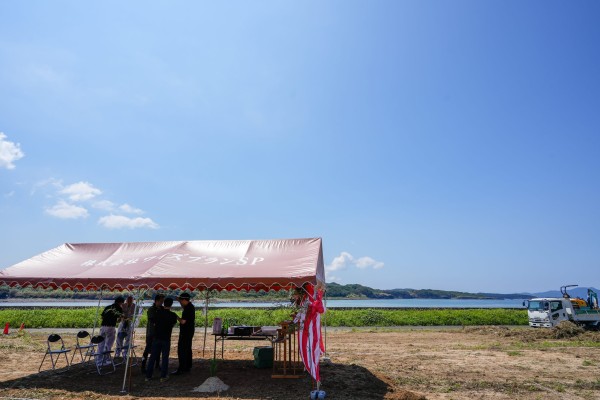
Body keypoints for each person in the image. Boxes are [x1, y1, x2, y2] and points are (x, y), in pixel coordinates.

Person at [145, 297, 178, 382]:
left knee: (152, 357)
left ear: (164, 303)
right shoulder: (173, 315)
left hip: (156, 337)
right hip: (166, 338)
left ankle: (148, 376)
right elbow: (173, 324)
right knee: (165, 357)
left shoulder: (158, 313)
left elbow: (153, 321)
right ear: (171, 305)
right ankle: (163, 376)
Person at [171, 292, 195, 375]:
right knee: (188, 349)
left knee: (182, 350)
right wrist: (179, 301)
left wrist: (175, 316)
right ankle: (188, 366)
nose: (180, 302)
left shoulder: (188, 309)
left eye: (181, 300)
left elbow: (183, 321)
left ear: (184, 300)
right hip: (190, 332)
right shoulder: (190, 306)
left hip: (185, 332)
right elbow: (183, 307)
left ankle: (182, 368)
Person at [96, 296, 124, 366]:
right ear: (120, 302)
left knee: (101, 344)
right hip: (110, 327)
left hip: (103, 326)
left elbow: (102, 317)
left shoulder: (108, 307)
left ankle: (98, 361)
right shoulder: (119, 308)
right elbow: (120, 319)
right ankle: (106, 360)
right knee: (108, 344)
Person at [142, 294, 165, 373]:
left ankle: (157, 365)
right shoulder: (151, 309)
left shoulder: (162, 309)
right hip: (151, 333)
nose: (162, 303)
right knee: (147, 350)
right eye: (161, 301)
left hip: (159, 333)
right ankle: (143, 366)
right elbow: (152, 320)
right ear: (156, 301)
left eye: (163, 301)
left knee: (159, 349)